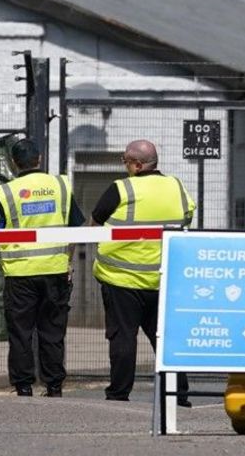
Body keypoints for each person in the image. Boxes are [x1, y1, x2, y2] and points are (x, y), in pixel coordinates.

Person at [90, 139, 195, 403]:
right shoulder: (177, 187)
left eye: (125, 161)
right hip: (162, 279)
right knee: (165, 340)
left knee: (123, 338)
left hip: (122, 280)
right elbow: (187, 216)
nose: (124, 166)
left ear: (137, 164)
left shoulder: (122, 189)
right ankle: (178, 395)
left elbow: (95, 221)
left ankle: (119, 393)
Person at [0, 137, 84, 397]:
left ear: (14, 163)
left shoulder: (6, 193)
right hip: (55, 271)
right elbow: (75, 229)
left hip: (20, 274)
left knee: (21, 333)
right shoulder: (60, 186)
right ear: (39, 159)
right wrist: (67, 260)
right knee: (52, 331)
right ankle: (54, 385)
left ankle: (24, 385)